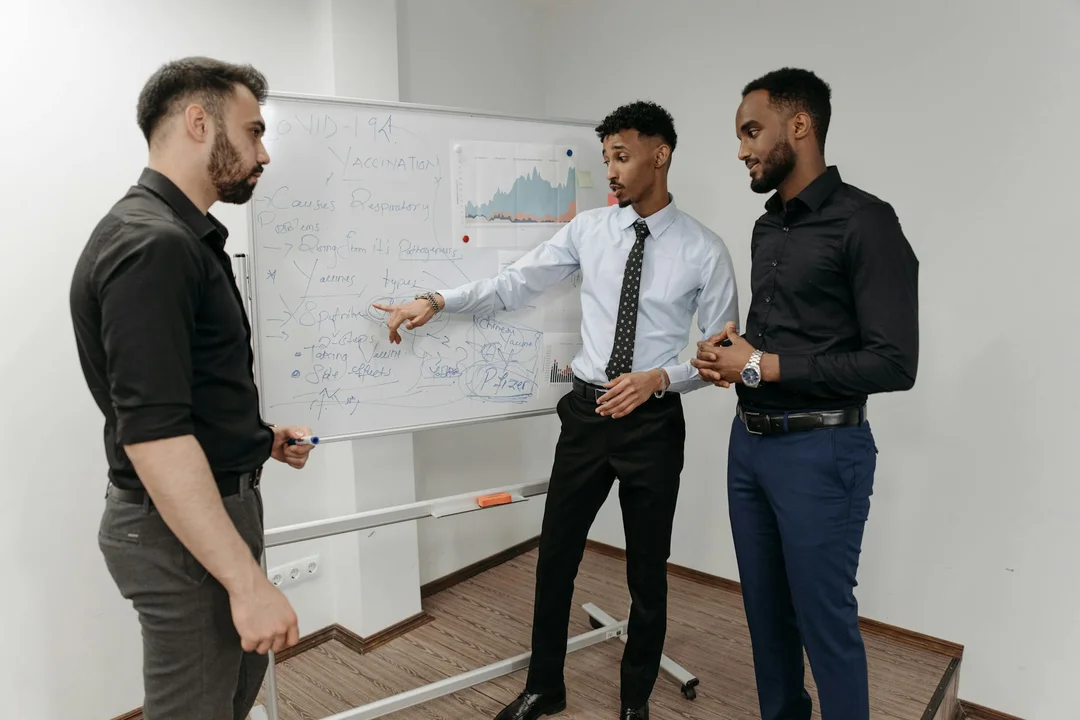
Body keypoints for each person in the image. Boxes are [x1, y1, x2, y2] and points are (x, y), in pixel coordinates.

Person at [374, 101, 738, 720]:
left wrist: (659, 379)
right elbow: (514, 284)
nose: (613, 172)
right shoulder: (588, 231)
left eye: (622, 156)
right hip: (587, 414)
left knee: (647, 575)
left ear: (661, 153)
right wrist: (437, 299)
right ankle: (545, 686)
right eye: (607, 160)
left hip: (652, 424)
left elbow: (721, 356)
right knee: (556, 557)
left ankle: (634, 703)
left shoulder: (705, 250)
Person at [69, 57, 317, 720]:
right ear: (199, 122)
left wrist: (257, 439)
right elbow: (152, 433)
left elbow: (183, 394)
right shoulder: (154, 245)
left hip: (203, 511)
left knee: (228, 700)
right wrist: (246, 583)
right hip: (175, 532)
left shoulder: (177, 234)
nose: (264, 153)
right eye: (255, 131)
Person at [692, 68, 919, 720]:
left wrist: (760, 365)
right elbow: (773, 348)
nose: (741, 149)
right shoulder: (770, 226)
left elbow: (893, 362)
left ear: (800, 125)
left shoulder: (867, 223)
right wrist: (730, 358)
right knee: (765, 617)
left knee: (824, 623)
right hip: (751, 448)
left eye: (750, 130)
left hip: (824, 451)